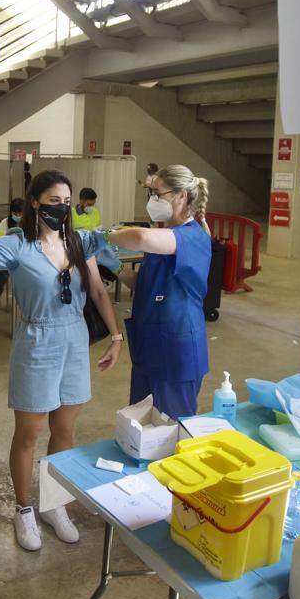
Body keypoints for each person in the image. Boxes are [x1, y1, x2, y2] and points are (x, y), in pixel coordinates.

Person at [0, 171, 123, 552]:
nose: (61, 207)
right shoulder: (17, 245)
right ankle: (24, 509)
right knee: (29, 433)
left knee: (64, 430)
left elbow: (96, 289)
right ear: (34, 202)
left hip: (75, 339)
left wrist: (115, 336)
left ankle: (54, 504)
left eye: (66, 201)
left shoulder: (79, 242)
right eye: (54, 200)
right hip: (36, 342)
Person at [105, 165, 211, 419]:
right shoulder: (165, 236)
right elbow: (144, 285)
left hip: (177, 348)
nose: (152, 200)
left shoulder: (192, 236)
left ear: (181, 195)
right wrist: (114, 265)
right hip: (150, 345)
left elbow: (141, 237)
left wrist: (106, 236)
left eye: (157, 193)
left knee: (171, 429)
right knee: (141, 425)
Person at [0, 198, 24, 308]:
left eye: (20, 213)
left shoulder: (30, 222)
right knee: (3, 272)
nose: (18, 216)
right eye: (15, 213)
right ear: (11, 213)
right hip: (9, 255)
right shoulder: (5, 222)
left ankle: (23, 300)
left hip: (25, 256)